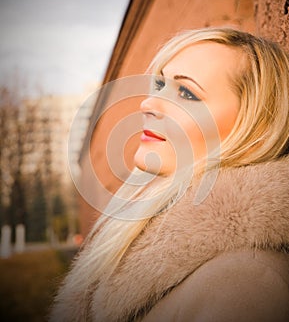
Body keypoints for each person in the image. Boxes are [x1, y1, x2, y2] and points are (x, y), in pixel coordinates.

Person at [50, 28, 289, 322]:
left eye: (187, 93)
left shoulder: (249, 285)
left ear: (253, 127)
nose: (148, 103)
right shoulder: (138, 223)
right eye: (160, 83)